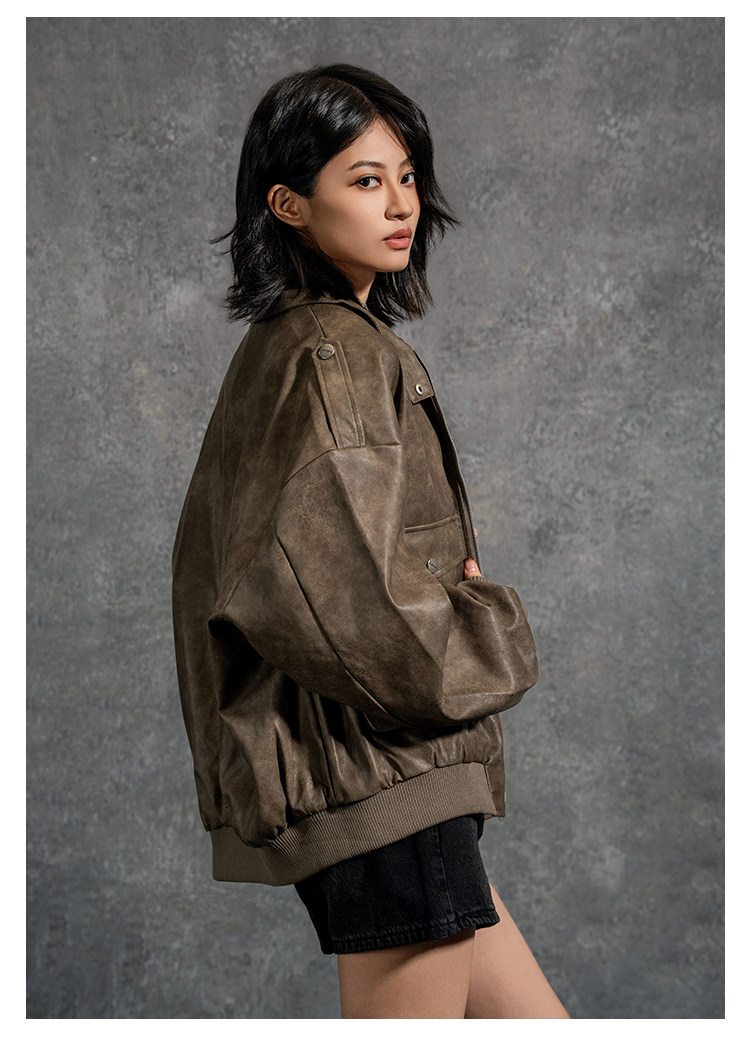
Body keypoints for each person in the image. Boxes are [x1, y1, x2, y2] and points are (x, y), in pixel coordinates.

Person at [172, 63, 569, 1020]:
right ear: (289, 204)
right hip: (380, 783)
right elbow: (343, 599)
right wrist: (488, 629)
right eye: (364, 180)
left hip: (394, 778)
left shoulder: (310, 340)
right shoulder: (329, 353)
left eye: (407, 176)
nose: (401, 204)